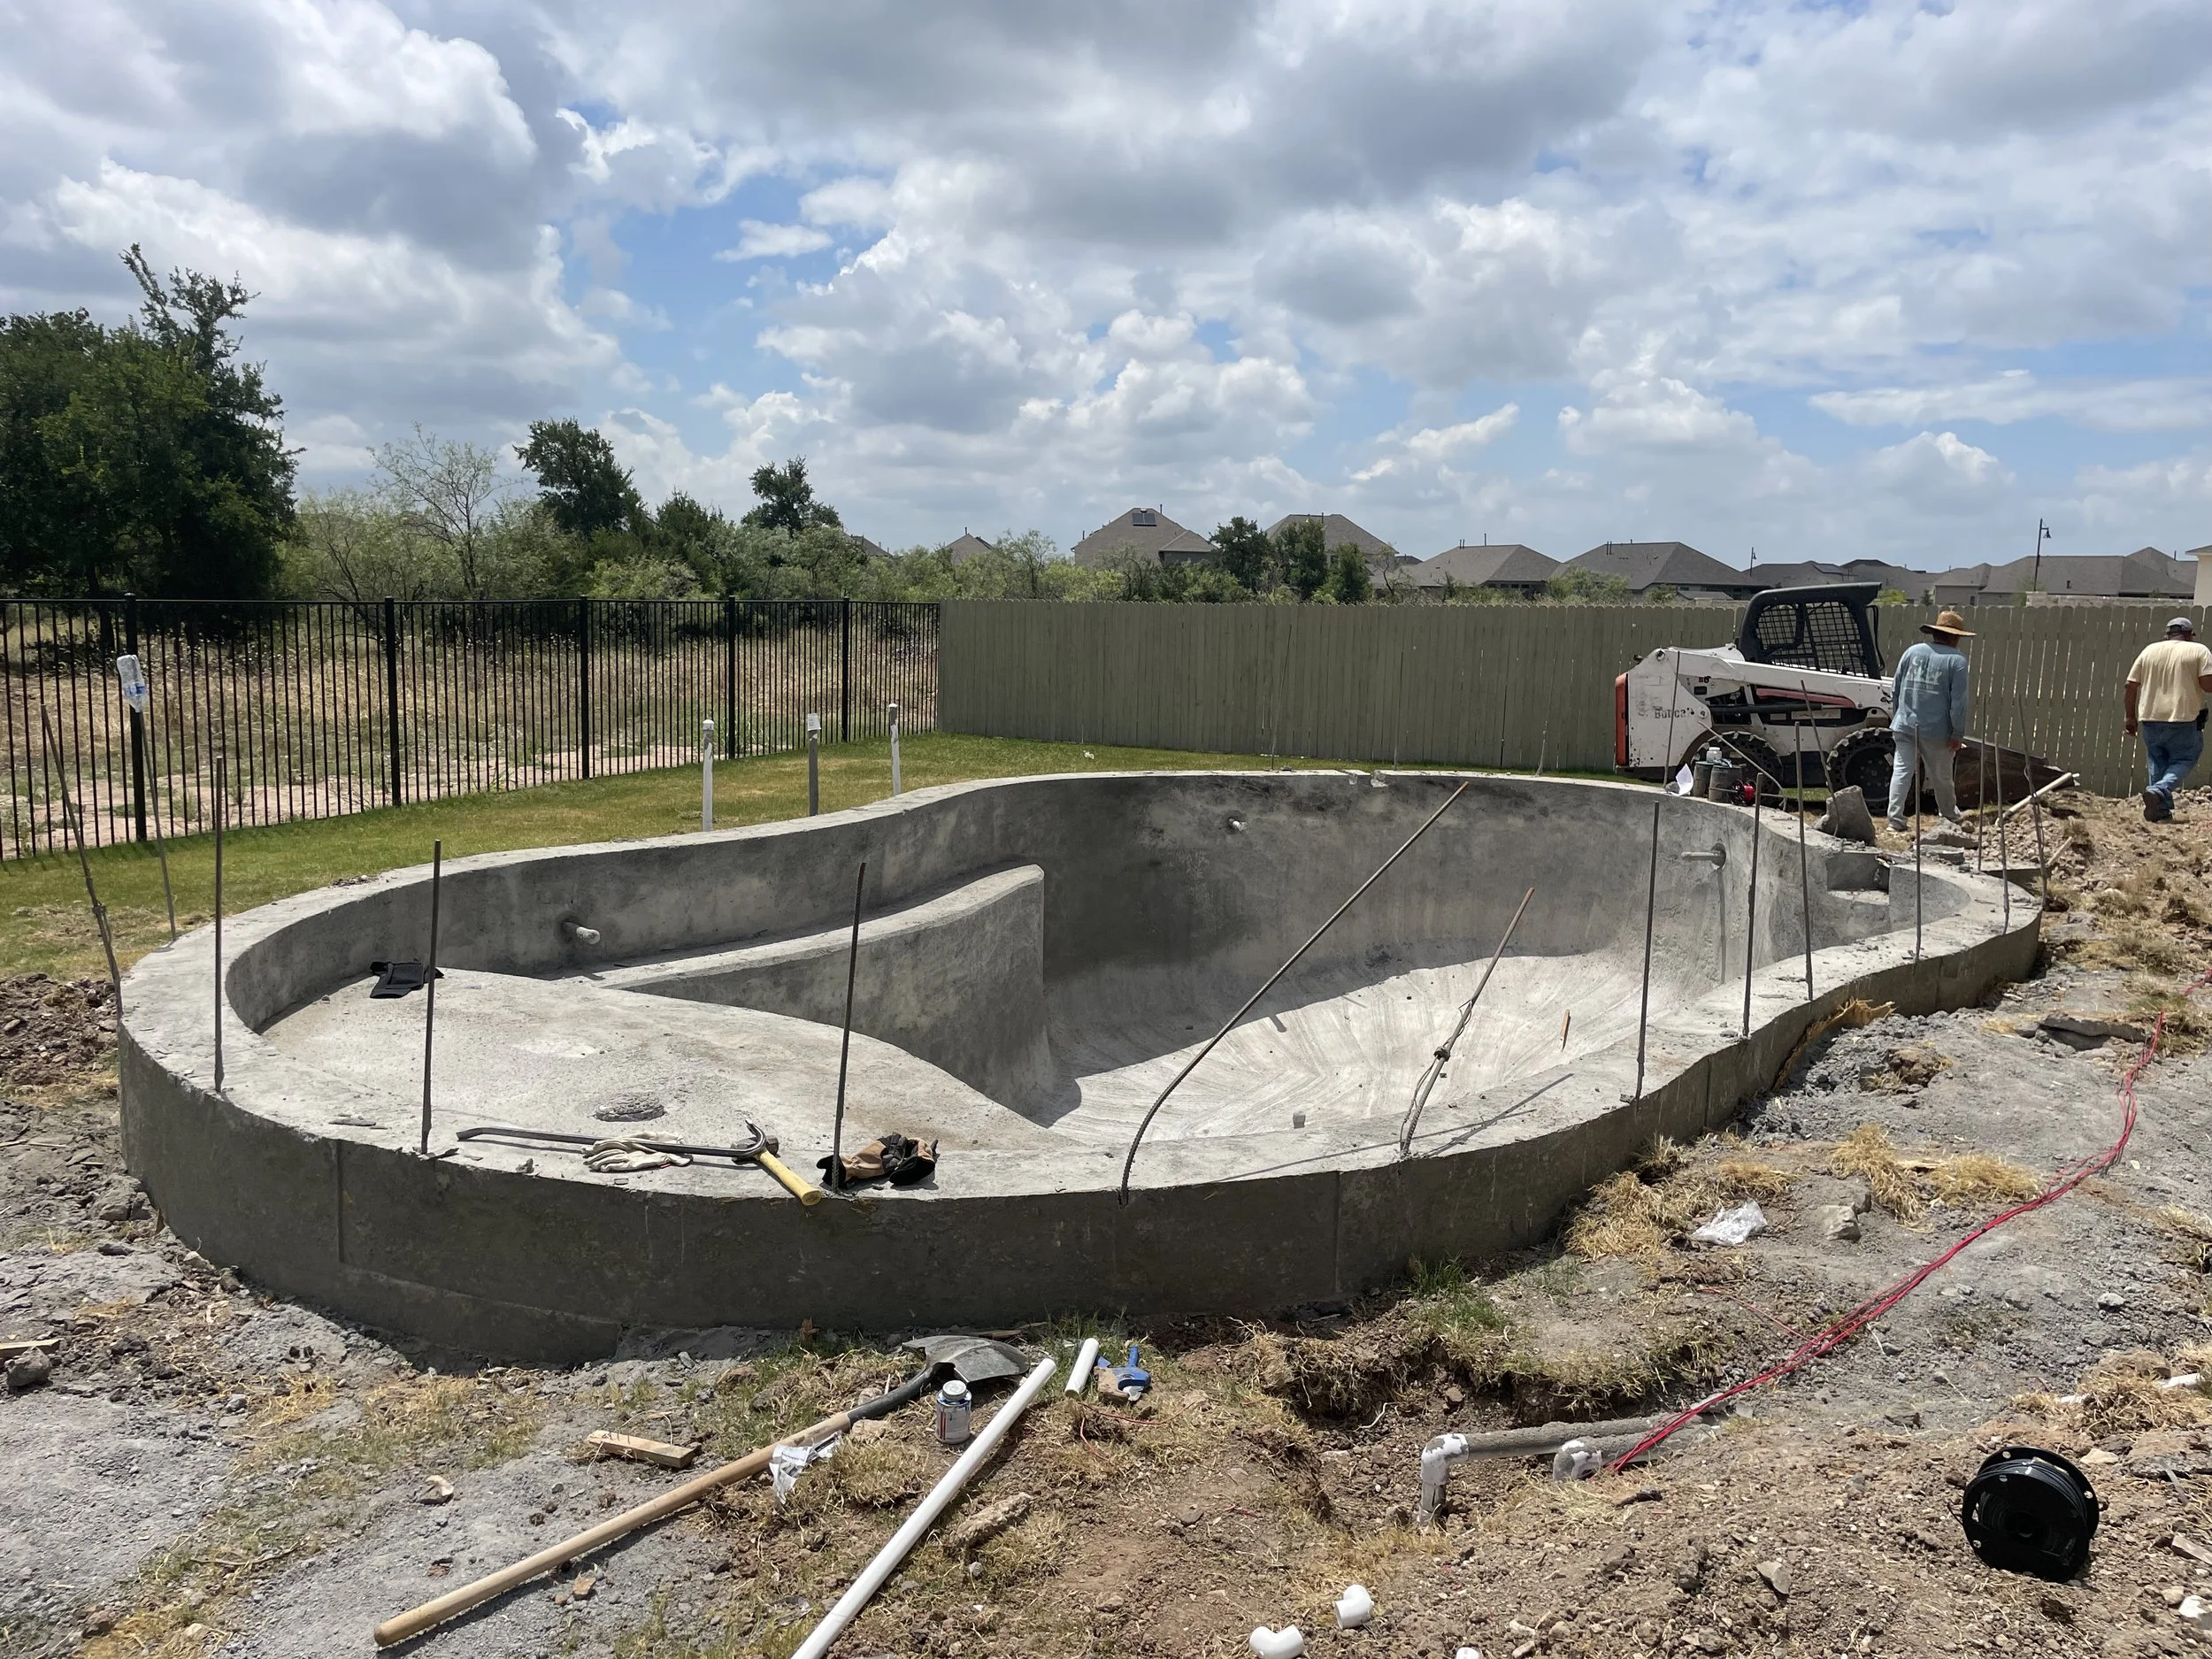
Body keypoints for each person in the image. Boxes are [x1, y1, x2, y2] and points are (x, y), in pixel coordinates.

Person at [1886, 609, 1972, 833]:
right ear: (1955, 637)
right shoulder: (1957, 662)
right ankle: (1949, 817)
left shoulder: (1912, 652)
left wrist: (1897, 715)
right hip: (1937, 731)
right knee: (1941, 777)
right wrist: (1957, 733)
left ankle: (1895, 821)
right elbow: (1958, 703)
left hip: (1904, 724)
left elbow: (1895, 688)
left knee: (1902, 771)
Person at [2124, 616, 2212, 822]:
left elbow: (2130, 685)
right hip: (2183, 718)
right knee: (2186, 758)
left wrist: (2130, 716)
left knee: (2157, 761)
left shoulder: (2149, 651)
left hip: (2150, 717)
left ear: (2167, 634)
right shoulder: (2199, 650)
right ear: (2190, 635)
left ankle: (2160, 812)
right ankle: (2159, 789)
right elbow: (2207, 685)